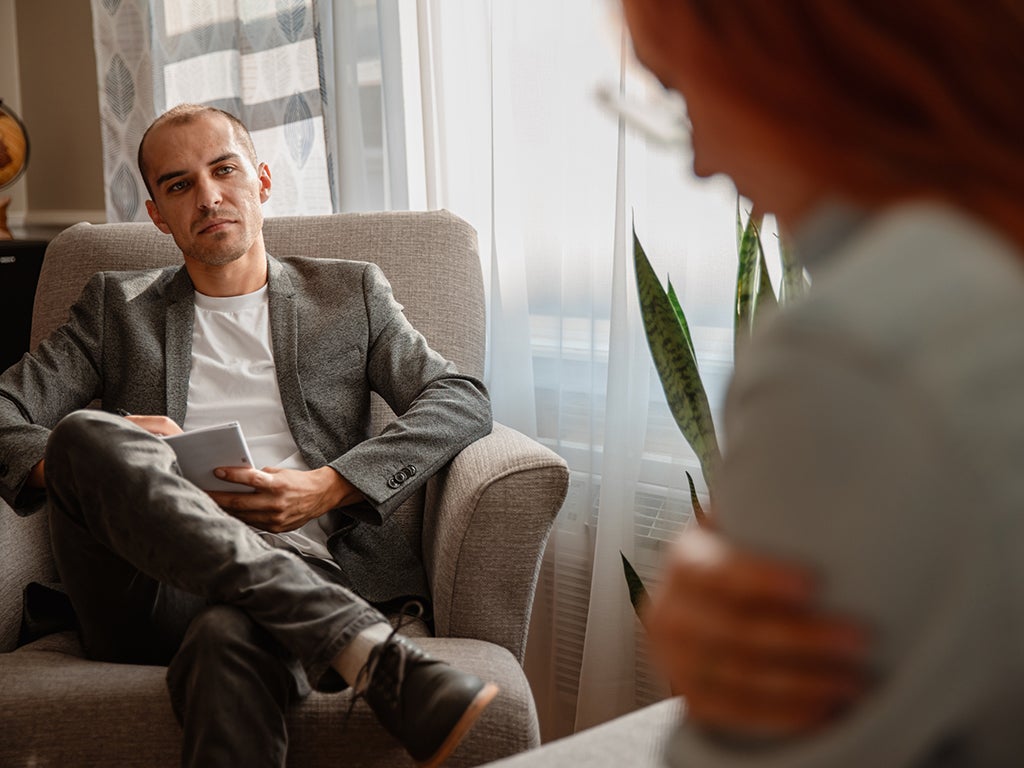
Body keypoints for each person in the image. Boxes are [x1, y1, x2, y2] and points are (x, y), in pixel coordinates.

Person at [0, 103, 497, 768]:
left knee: (229, 639)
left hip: (304, 564)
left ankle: (336, 634)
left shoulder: (350, 294)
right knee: (84, 436)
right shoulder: (114, 308)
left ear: (262, 180)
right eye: (178, 185)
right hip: (141, 588)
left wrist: (329, 486)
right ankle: (361, 646)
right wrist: (92, 456)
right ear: (157, 214)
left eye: (224, 170)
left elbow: (459, 398)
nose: (207, 197)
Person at [618, 1, 1024, 765]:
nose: (702, 160)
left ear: (786, 56)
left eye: (683, 92)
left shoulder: (846, 350)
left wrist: (695, 653)